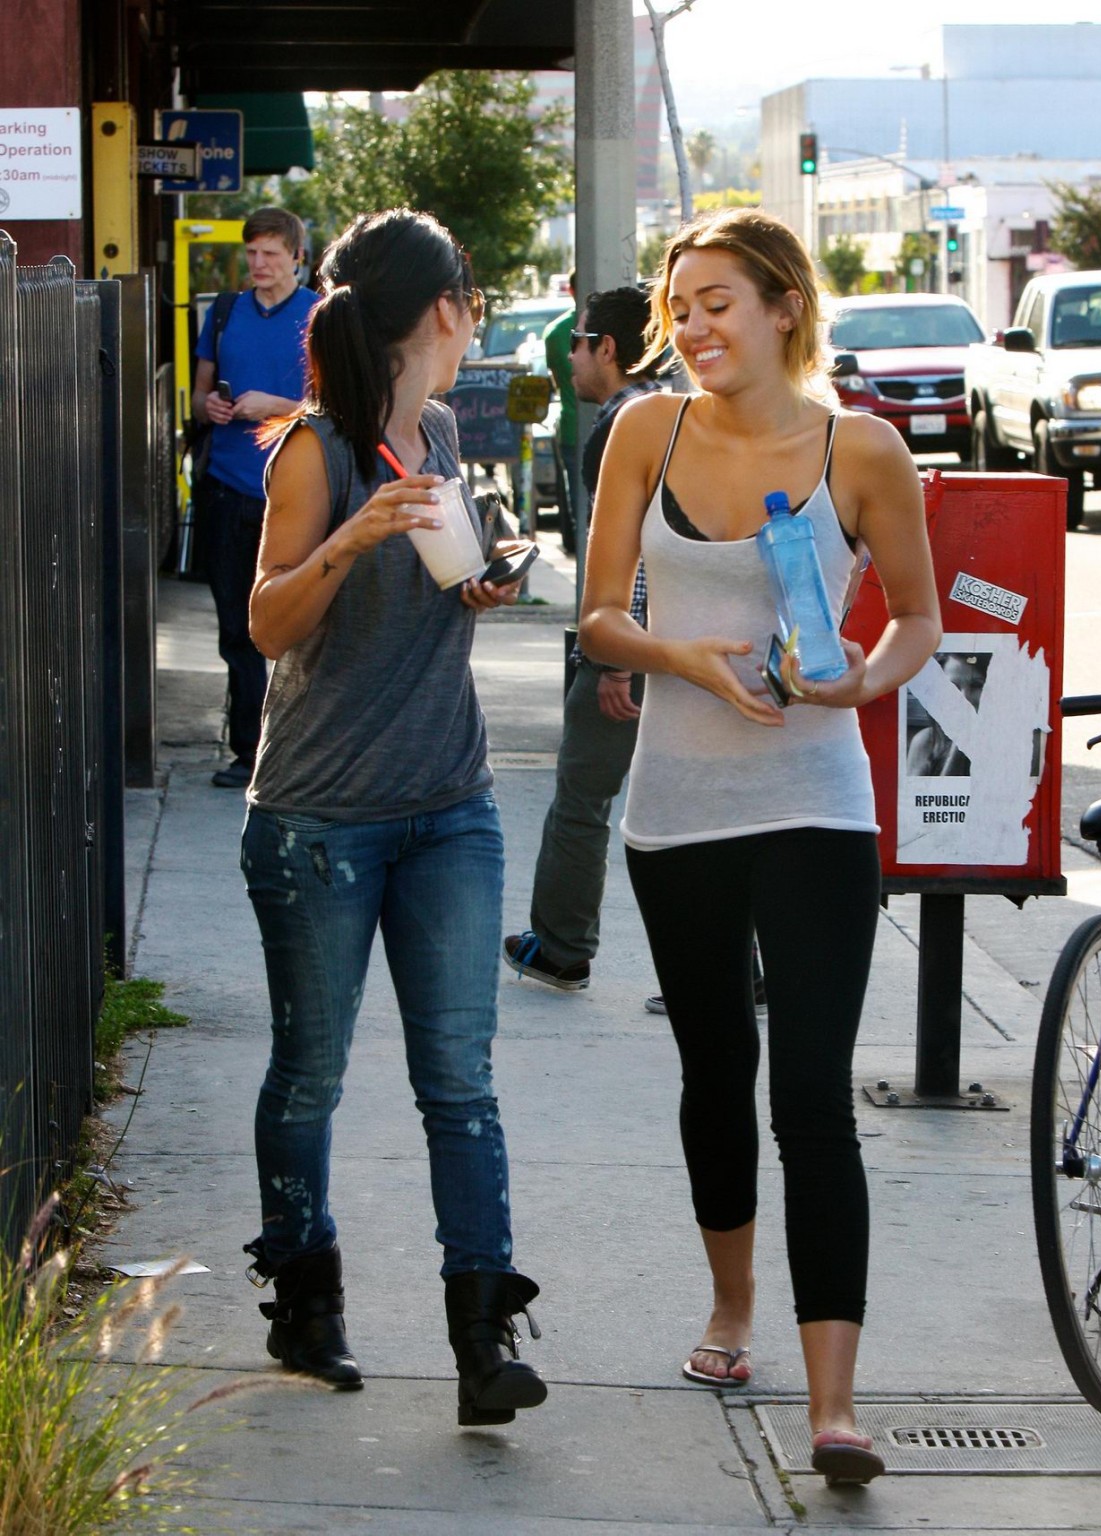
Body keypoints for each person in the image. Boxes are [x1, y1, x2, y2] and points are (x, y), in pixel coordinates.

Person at [578, 207, 940, 1487]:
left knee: (810, 1099)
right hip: (675, 816)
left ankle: (835, 1406)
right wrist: (679, 654)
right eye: (680, 309)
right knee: (716, 1070)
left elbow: (917, 617)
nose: (693, 329)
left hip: (817, 808)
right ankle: (731, 1310)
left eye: (717, 302)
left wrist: (855, 687)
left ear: (785, 304)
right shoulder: (644, 429)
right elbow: (598, 618)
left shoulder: (862, 449)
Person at [238, 206, 547, 1429]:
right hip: (322, 820)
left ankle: (485, 1336)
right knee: (310, 1074)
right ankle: (306, 1306)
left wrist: (479, 581)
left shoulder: (434, 430)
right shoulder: (316, 451)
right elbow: (269, 624)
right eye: (468, 301)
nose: (472, 322)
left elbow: (432, 596)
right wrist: (352, 537)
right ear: (440, 311)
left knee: (458, 1080)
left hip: (449, 807)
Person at [503, 286, 663, 990]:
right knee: (702, 806)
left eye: (579, 341)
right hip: (692, 640)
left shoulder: (623, 425)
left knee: (582, 798)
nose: (569, 354)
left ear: (607, 349)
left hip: (632, 643)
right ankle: (737, 967)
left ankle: (562, 946)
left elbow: (628, 556)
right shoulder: (685, 412)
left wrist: (610, 659)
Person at [191, 207, 319, 789]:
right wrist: (209, 407)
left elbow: (335, 407)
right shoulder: (224, 312)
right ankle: (250, 750)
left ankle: (301, 745)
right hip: (227, 487)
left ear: (297, 256)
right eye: (252, 255)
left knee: (302, 623)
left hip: (298, 488)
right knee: (236, 628)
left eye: (271, 254)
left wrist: (277, 407)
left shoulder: (321, 315)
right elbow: (198, 394)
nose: (259, 265)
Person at [542, 276, 578, 552]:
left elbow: (558, 380)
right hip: (576, 427)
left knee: (581, 510)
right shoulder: (557, 333)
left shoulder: (556, 333)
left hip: (572, 428)